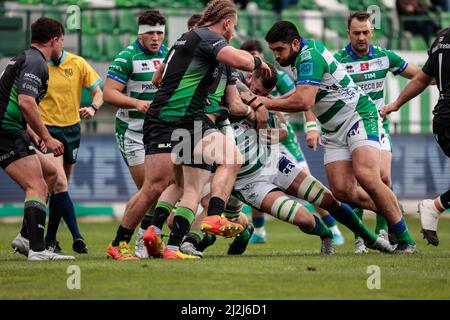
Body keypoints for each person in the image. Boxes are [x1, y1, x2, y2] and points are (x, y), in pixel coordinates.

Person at [106, 0, 271, 260]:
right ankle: (119, 243)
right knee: (155, 186)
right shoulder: (206, 36)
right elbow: (245, 62)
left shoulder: (185, 39)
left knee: (228, 159)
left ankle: (206, 222)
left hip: (191, 121)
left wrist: (194, 89)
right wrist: (259, 61)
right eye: (233, 27)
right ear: (226, 23)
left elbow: (157, 79)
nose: (233, 33)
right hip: (165, 120)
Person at [260, 20, 417, 253]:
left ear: (295, 43)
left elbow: (304, 101)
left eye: (279, 50)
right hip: (333, 128)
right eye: (273, 51)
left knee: (367, 175)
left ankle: (405, 240)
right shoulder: (300, 55)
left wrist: (267, 103)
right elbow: (303, 92)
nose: (277, 56)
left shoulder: (309, 57)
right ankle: (393, 213)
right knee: (342, 191)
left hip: (357, 116)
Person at [240, 39, 345, 245]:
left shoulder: (278, 76)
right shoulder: (240, 80)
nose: (256, 60)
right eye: (250, 56)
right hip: (254, 138)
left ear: (263, 55)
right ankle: (260, 231)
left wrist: (311, 127)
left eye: (257, 55)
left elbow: (304, 96)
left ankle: (333, 227)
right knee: (254, 180)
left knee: (307, 184)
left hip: (283, 138)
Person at [334, 12, 420, 253]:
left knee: (382, 178)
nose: (361, 37)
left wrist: (439, 74)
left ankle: (384, 230)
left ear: (372, 32)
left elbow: (421, 76)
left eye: (366, 32)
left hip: (376, 124)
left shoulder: (383, 57)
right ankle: (361, 237)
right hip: (348, 126)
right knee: (354, 184)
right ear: (348, 33)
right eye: (356, 33)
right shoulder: (337, 60)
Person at [6, 17, 74, 261]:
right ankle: (37, 249)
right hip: (5, 132)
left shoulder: (25, 57)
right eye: (62, 41)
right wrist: (47, 137)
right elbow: (25, 101)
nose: (62, 47)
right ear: (55, 40)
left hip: (13, 129)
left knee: (50, 173)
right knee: (36, 185)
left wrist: (33, 134)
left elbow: (14, 101)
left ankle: (25, 236)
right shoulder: (37, 62)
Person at [103, 9, 169, 259]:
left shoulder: (168, 55)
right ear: (140, 34)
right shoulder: (126, 57)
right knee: (149, 190)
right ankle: (125, 242)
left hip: (159, 131)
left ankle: (143, 242)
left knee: (159, 190)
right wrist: (136, 103)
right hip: (132, 133)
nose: (155, 38)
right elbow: (109, 94)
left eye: (159, 33)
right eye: (150, 33)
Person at [382, 27, 450, 247]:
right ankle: (436, 206)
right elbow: (422, 79)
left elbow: (422, 78)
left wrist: (396, 103)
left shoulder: (441, 39)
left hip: (443, 120)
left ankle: (436, 206)